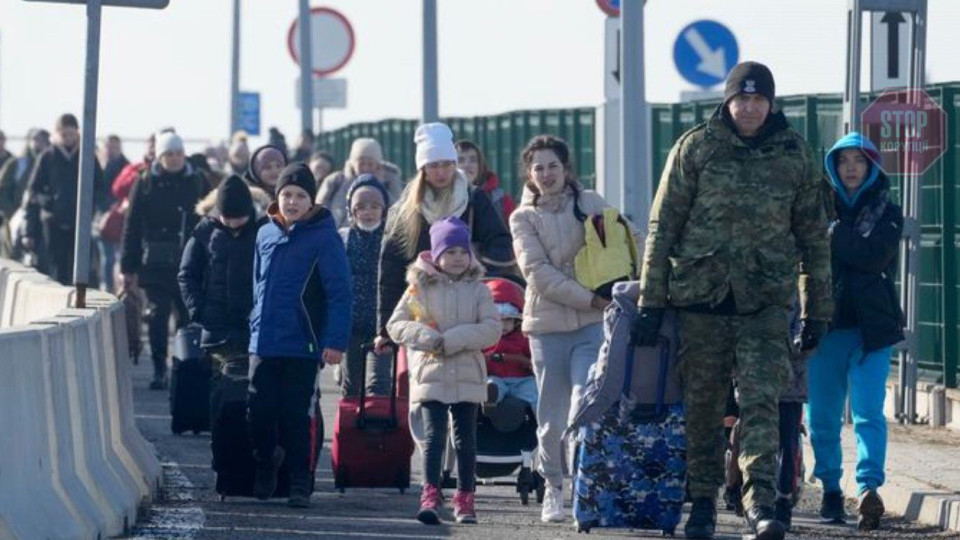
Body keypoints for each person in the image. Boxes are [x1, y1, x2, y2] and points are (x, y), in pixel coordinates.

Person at [633, 61, 832, 540]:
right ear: (727, 102)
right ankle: (701, 502)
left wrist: (817, 310)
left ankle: (760, 504)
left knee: (761, 403)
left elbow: (814, 239)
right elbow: (663, 228)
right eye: (741, 100)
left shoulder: (795, 155)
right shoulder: (696, 147)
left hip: (764, 304)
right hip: (701, 301)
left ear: (771, 103)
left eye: (758, 100)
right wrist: (650, 301)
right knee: (703, 408)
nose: (749, 108)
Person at [509, 134, 617, 523]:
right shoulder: (522, 217)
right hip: (547, 327)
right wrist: (590, 298)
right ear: (529, 173)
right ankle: (552, 487)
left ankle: (582, 489)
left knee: (583, 405)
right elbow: (538, 274)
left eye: (553, 165)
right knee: (552, 416)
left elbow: (626, 242)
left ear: (566, 168)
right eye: (538, 167)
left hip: (592, 325)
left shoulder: (590, 202)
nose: (547, 173)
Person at [807, 132, 904, 531]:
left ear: (871, 167)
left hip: (871, 331)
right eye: (843, 160)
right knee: (823, 418)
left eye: (859, 161)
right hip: (824, 328)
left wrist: (833, 233)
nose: (851, 167)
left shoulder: (888, 211)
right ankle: (831, 487)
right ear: (832, 166)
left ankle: (868, 489)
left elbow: (872, 256)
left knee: (867, 414)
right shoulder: (813, 209)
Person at [247, 162, 352, 508]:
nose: (292, 202)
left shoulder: (325, 237)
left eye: (300, 195)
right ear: (278, 197)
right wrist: (253, 324)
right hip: (264, 341)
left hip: (303, 344)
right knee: (258, 412)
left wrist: (335, 341)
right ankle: (265, 462)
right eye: (286, 194)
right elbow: (257, 285)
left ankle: (298, 481)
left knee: (297, 416)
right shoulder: (265, 233)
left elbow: (340, 293)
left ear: (311, 200)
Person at [387, 216, 501, 525]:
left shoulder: (479, 289)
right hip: (431, 372)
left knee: (466, 438)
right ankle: (431, 493)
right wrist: (427, 338)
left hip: (467, 372)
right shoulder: (418, 288)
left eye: (463, 252)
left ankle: (465, 497)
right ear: (436, 254)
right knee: (434, 437)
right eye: (450, 252)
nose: (457, 259)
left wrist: (454, 340)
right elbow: (396, 324)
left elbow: (492, 328)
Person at [375, 123, 515, 353]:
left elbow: (500, 243)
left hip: (466, 310)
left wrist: (475, 269)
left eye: (447, 165)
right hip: (422, 314)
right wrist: (385, 330)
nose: (441, 172)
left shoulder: (473, 199)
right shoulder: (407, 210)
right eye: (433, 166)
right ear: (423, 168)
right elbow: (390, 270)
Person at [120, 131, 209, 390]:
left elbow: (211, 220)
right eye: (169, 154)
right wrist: (128, 266)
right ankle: (159, 368)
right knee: (157, 317)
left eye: (179, 153)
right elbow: (132, 226)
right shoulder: (145, 182)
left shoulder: (197, 180)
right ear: (160, 156)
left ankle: (183, 367)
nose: (175, 159)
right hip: (154, 265)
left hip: (189, 262)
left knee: (187, 318)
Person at [23, 113, 106, 284]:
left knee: (81, 270)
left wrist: (90, 206)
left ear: (77, 133)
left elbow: (100, 187)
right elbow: (33, 191)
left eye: (71, 133)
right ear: (57, 134)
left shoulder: (87, 156)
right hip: (53, 223)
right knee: (56, 269)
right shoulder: (48, 157)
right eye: (64, 134)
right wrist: (48, 202)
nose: (68, 138)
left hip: (80, 224)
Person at [338, 174, 391, 397]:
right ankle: (351, 430)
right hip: (352, 325)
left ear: (384, 209)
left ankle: (379, 430)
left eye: (374, 206)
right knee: (352, 384)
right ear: (352, 211)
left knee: (379, 385)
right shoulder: (343, 238)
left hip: (383, 325)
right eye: (361, 207)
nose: (368, 212)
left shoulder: (391, 239)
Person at [316, 137, 405, 227]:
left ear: (378, 165)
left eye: (370, 164)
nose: (365, 168)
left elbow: (398, 211)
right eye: (361, 164)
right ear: (353, 163)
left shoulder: (390, 181)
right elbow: (319, 211)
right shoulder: (336, 181)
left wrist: (380, 186)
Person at [482, 278, 537, 411]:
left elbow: (532, 357)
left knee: (535, 392)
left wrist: (530, 364)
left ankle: (544, 423)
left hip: (521, 379)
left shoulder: (523, 338)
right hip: (495, 377)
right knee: (491, 385)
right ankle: (489, 400)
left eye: (508, 321)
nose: (503, 326)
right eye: (498, 321)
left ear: (516, 321)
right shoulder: (484, 339)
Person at [0, 128, 50, 259]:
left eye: (43, 140)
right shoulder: (17, 164)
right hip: (15, 220)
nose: (39, 144)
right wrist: (12, 213)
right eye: (35, 139)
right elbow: (2, 191)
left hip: (43, 221)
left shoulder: (50, 164)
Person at [196, 144, 281, 219]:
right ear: (257, 169)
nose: (274, 171)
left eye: (279, 166)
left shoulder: (289, 194)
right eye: (267, 167)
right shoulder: (245, 194)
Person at [456, 140, 515, 225]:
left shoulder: (501, 199)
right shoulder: (442, 196)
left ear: (481, 165)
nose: (467, 165)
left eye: (473, 160)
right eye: (460, 160)